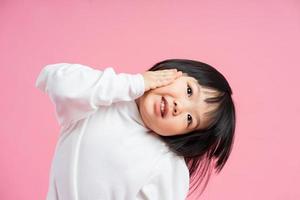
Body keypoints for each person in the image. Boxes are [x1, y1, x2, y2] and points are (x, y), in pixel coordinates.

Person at [35, 59, 236, 200]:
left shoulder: (168, 164)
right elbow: (54, 79)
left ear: (184, 136)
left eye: (190, 119)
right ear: (173, 71)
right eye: (189, 90)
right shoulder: (102, 98)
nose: (180, 107)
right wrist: (135, 83)